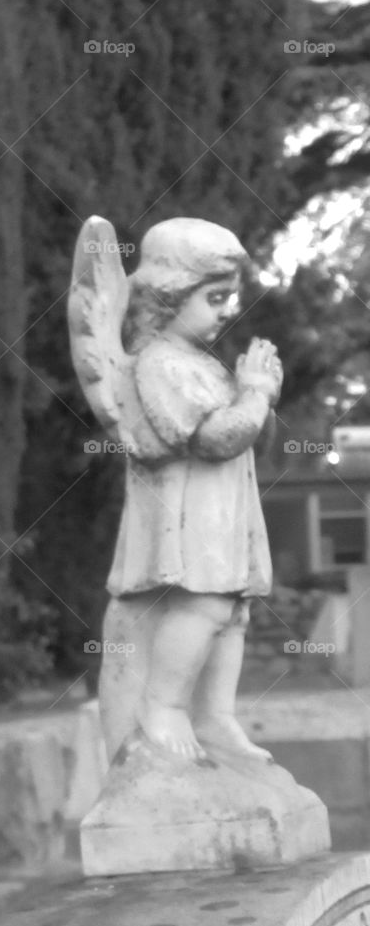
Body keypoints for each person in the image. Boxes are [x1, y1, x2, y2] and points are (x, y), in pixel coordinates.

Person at [96, 218, 282, 761]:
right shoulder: (160, 364)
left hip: (224, 515)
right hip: (186, 519)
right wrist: (254, 396)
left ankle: (215, 717)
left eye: (233, 297)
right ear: (170, 294)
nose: (230, 309)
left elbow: (248, 441)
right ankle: (163, 707)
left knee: (231, 613)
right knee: (200, 607)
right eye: (217, 296)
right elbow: (212, 438)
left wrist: (259, 398)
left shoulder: (205, 365)